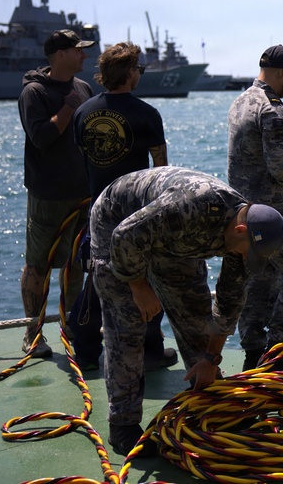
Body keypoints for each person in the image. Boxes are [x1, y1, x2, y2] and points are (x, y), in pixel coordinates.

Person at [90, 166, 283, 457]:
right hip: (117, 226)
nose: (247, 258)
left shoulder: (242, 239)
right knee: (127, 326)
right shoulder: (188, 207)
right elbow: (124, 236)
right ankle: (123, 425)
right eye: (249, 252)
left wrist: (210, 358)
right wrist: (139, 286)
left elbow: (229, 304)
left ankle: (207, 392)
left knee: (195, 315)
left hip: (174, 240)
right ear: (240, 231)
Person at [71, 42, 177, 372]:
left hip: (98, 209)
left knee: (97, 276)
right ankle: (151, 349)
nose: (139, 74)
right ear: (130, 72)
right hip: (136, 212)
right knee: (147, 277)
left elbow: (83, 162)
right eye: (138, 69)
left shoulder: (82, 112)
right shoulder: (147, 114)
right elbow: (161, 168)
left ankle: (85, 351)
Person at [227, 44, 283, 371]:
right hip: (274, 215)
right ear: (282, 72)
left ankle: (253, 353)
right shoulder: (274, 110)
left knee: (257, 282)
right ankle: (277, 354)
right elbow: (279, 169)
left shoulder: (241, 102)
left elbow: (254, 152)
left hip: (243, 214)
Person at [17, 28, 95, 357]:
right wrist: (68, 108)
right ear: (60, 54)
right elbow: (41, 138)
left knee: (76, 263)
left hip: (82, 193)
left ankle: (71, 325)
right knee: (38, 265)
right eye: (78, 50)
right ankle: (32, 334)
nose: (84, 55)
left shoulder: (84, 87)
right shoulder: (34, 92)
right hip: (48, 195)